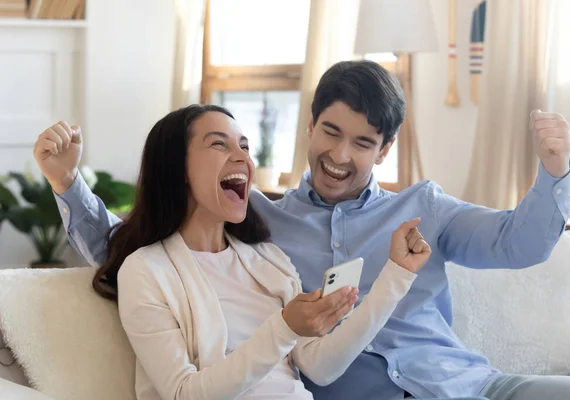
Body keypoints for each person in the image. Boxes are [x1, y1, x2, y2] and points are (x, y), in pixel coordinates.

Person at [35, 60, 570, 400]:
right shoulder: (257, 222)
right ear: (310, 124)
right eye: (330, 132)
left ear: (385, 150)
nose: (339, 155)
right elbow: (139, 243)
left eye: (362, 143)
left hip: (465, 386)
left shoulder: (424, 207)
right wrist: (67, 185)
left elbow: (518, 244)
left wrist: (555, 172)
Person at [36, 104, 436, 400]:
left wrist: (396, 276)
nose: (243, 156)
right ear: (178, 170)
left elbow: (320, 367)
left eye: (244, 146)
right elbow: (183, 393)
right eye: (219, 144)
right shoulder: (146, 269)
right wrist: (283, 327)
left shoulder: (267, 260)